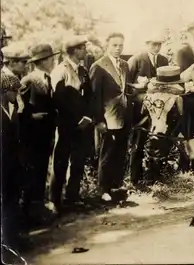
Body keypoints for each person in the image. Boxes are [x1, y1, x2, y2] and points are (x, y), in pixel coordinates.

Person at [50, 36, 94, 214]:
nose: (86, 51)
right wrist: (74, 120)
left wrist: (88, 118)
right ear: (74, 50)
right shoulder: (60, 71)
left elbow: (89, 96)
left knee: (78, 161)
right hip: (66, 125)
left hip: (82, 125)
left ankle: (72, 197)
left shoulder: (83, 70)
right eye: (83, 48)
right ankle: (55, 201)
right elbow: (59, 100)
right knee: (60, 162)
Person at [19, 44, 59, 225]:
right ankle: (27, 213)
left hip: (45, 135)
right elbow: (19, 110)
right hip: (32, 138)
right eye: (50, 59)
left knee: (42, 170)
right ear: (42, 61)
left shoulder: (47, 78)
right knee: (32, 172)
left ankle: (36, 209)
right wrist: (31, 116)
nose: (53, 61)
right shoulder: (28, 81)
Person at [90, 32, 130, 202]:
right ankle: (103, 189)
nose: (118, 48)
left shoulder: (125, 65)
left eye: (121, 45)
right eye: (114, 45)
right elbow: (95, 96)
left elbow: (124, 89)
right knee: (107, 154)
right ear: (107, 45)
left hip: (124, 116)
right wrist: (99, 120)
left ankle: (116, 186)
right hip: (108, 117)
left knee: (120, 152)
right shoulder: (98, 66)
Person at [127, 35, 169, 186]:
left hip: (159, 111)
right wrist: (141, 86)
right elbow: (127, 83)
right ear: (146, 43)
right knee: (138, 143)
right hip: (141, 112)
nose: (157, 47)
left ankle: (155, 179)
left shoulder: (164, 60)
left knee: (158, 142)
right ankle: (134, 181)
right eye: (153, 44)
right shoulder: (136, 59)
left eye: (159, 44)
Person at [1, 73, 30, 261]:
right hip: (3, 165)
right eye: (14, 92)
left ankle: (13, 240)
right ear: (4, 92)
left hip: (13, 165)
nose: (17, 96)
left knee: (12, 202)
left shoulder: (11, 110)